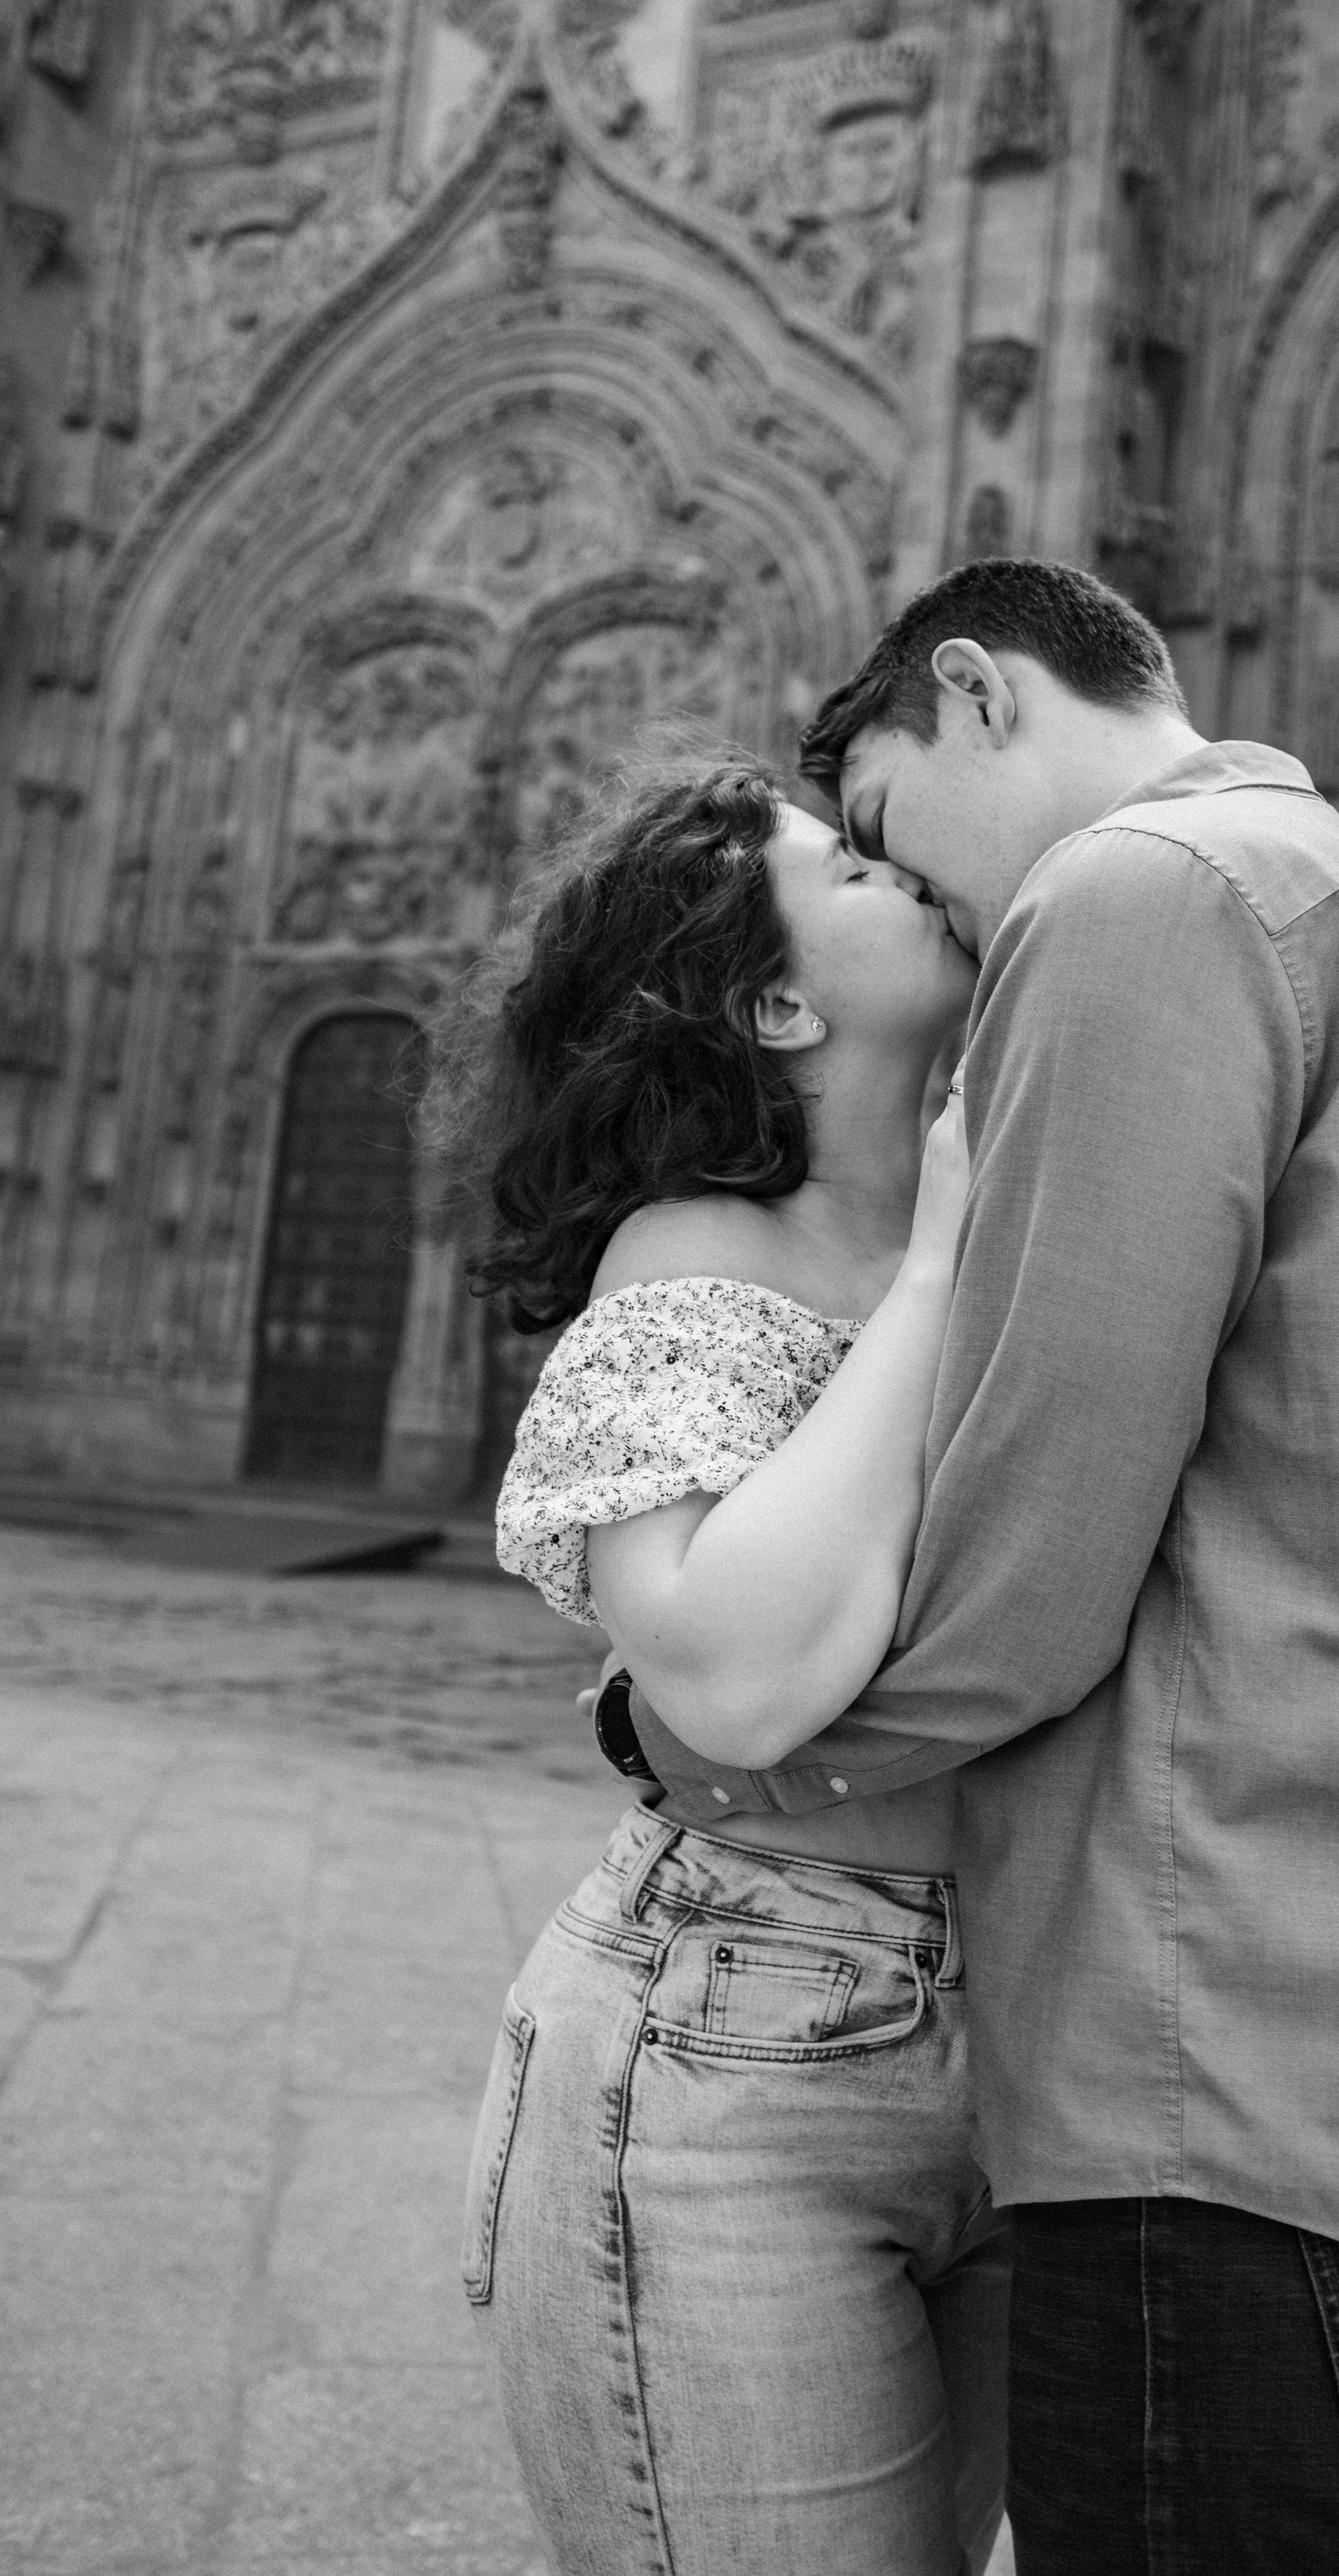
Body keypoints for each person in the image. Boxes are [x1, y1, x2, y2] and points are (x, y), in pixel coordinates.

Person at [619, 559, 1339, 2575]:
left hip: (1250, 2114)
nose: (944, 915)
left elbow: (1031, 1560)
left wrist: (710, 1752)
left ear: (979, 693)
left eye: (903, 834)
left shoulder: (1137, 899)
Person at [433, 758, 1007, 2576]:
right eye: (848, 866)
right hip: (734, 2038)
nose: (899, 865)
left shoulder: (1032, 1203)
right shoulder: (694, 1253)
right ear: (775, 999)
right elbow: (733, 1693)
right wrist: (929, 1277)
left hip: (1032, 2039)